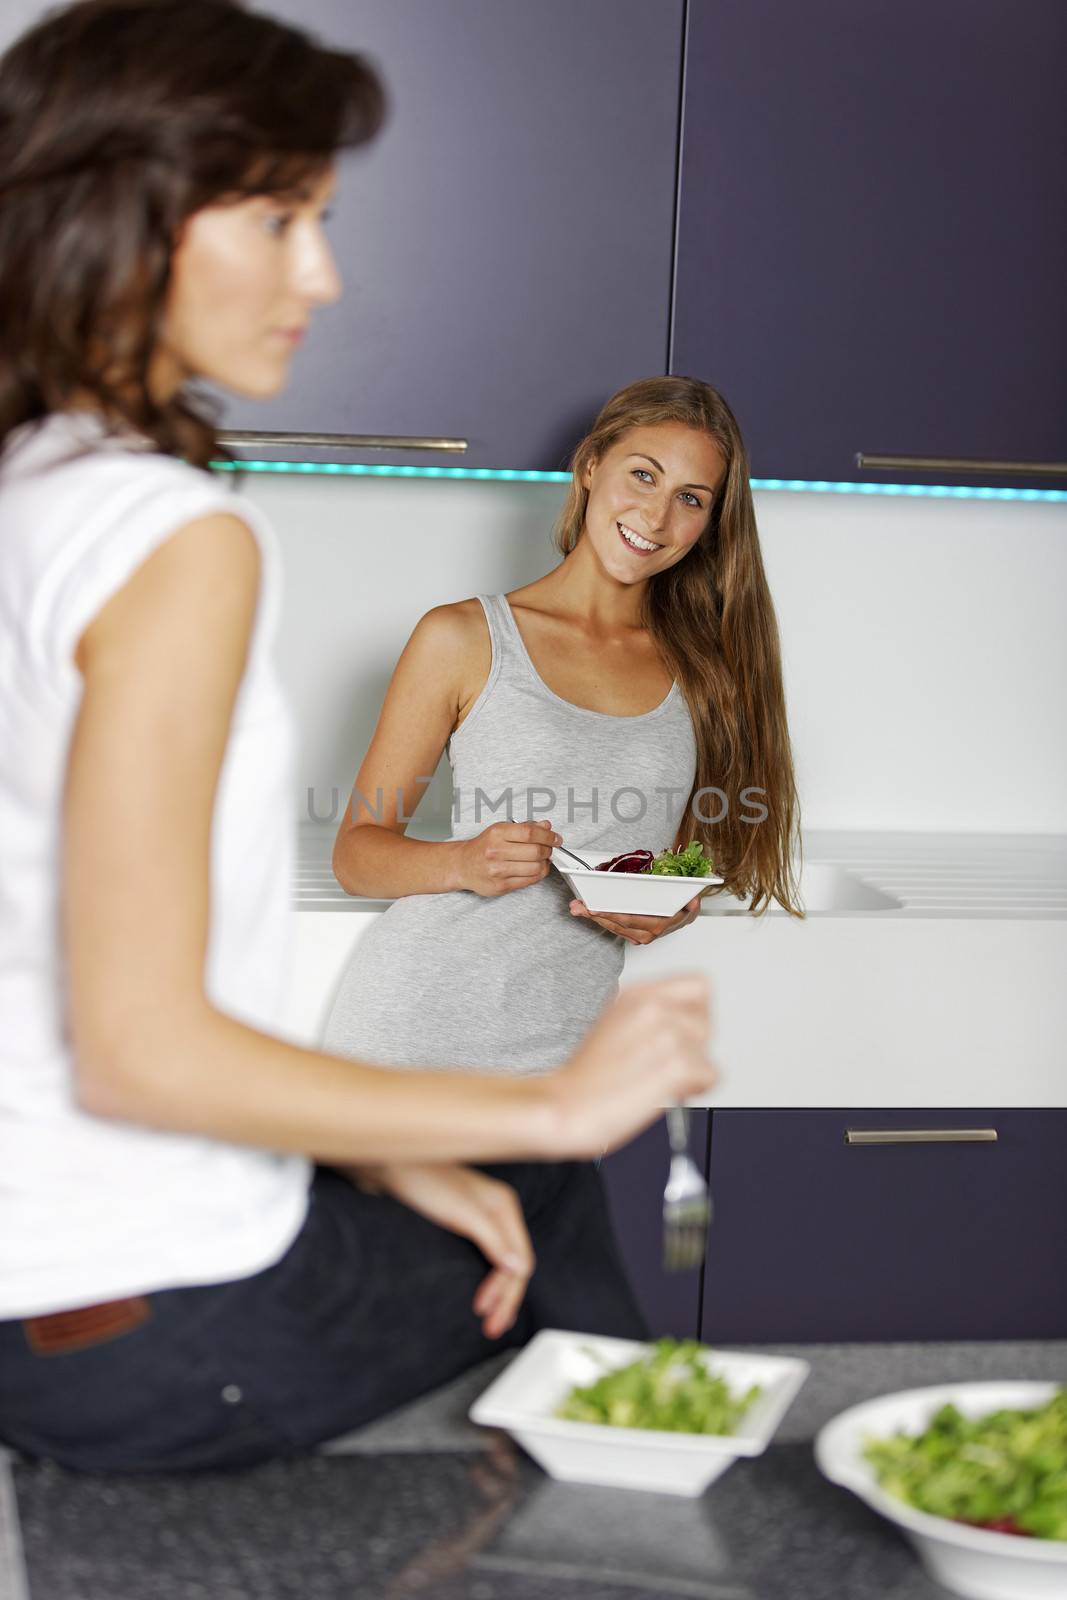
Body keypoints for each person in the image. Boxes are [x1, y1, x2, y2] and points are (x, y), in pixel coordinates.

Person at [0, 0, 716, 1477]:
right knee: (558, 1184)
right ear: (124, 212)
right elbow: (140, 1051)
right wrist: (559, 1098)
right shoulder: (173, 537)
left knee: (491, 1188)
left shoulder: (35, 486)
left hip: (48, 1292)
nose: (321, 273)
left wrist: (387, 1144)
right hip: (158, 1325)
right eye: (277, 219)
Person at [321, 373, 802, 1320]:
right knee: (388, 1337)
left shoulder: (703, 668)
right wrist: (460, 861)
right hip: (411, 1039)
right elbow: (358, 851)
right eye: (640, 475)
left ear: (711, 522)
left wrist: (666, 894)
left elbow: (699, 855)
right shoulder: (462, 637)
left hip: (560, 1066)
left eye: (690, 498)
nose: (655, 515)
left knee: (553, 1340)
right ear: (589, 471)